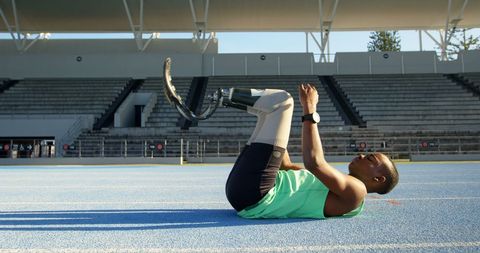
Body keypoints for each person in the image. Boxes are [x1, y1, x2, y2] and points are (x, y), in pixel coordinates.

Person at [223, 84, 399, 219]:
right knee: (269, 112)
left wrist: (309, 108)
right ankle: (223, 98)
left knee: (283, 102)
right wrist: (280, 131)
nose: (361, 155)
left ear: (378, 179)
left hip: (256, 194)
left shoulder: (357, 192)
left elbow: (314, 162)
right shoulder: (324, 184)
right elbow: (286, 165)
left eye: (369, 159)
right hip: (247, 191)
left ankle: (222, 96)